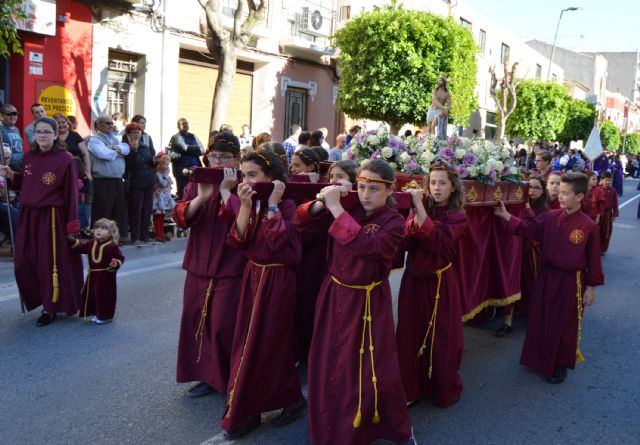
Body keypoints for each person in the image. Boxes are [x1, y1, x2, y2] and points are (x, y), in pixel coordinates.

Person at [295, 159, 415, 445]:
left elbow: (370, 247)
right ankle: (329, 419)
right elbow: (301, 220)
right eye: (361, 186)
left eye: (373, 188)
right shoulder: (349, 208)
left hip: (368, 301)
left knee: (373, 365)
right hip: (335, 293)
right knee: (329, 360)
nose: (365, 194)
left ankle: (388, 425)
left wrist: (337, 209)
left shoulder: (395, 221)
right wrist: (322, 202)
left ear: (389, 191)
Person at [221, 149, 304, 439]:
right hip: (253, 277)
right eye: (243, 175)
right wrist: (244, 206)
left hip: (278, 279)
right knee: (249, 343)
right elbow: (236, 241)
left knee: (266, 344)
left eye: (252, 175)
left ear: (270, 177)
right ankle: (286, 400)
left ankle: (250, 409)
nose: (246, 181)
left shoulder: (288, 206)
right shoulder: (251, 202)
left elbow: (282, 244)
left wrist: (272, 206)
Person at [494, 173, 604, 384]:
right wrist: (505, 215)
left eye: (565, 193)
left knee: (563, 322)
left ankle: (561, 363)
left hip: (571, 281)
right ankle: (536, 358)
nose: (560, 197)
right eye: (559, 192)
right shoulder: (549, 217)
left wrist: (591, 288)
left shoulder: (589, 226)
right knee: (541, 316)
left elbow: (593, 260)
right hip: (546, 276)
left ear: (580, 196)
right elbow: (526, 229)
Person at [173, 132, 247, 399]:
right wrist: (201, 198)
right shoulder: (198, 180)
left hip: (230, 264)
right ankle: (205, 375)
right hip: (198, 263)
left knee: (222, 324)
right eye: (213, 156)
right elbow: (181, 216)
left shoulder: (244, 182)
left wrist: (228, 193)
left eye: (225, 157)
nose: (217, 161)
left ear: (237, 159)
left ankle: (228, 377)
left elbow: (243, 222)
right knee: (196, 319)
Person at [396, 164, 468, 408]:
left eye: (442, 183)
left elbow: (437, 241)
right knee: (409, 333)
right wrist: (415, 215)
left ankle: (440, 387)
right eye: (433, 183)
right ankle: (410, 388)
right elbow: (406, 238)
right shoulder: (422, 207)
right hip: (414, 280)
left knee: (441, 337)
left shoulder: (459, 216)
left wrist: (417, 208)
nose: (436, 188)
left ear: (453, 187)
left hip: (440, 284)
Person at [0, 117, 83, 326]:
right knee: (23, 262)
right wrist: (12, 176)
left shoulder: (66, 159)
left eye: (47, 132)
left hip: (52, 217)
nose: (42, 135)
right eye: (39, 132)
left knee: (48, 263)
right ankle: (37, 298)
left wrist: (72, 225)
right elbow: (29, 182)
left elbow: (71, 193)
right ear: (34, 134)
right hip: (28, 215)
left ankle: (50, 307)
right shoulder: (29, 157)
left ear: (55, 135)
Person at [495, 175, 549, 337]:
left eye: (535, 187)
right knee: (511, 281)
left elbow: (534, 227)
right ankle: (507, 321)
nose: (531, 191)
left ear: (542, 190)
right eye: (529, 187)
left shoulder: (544, 209)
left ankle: (537, 316)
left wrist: (526, 207)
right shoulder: (516, 204)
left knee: (531, 284)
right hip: (515, 249)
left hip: (532, 253)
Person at [71, 218, 124, 324]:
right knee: (93, 295)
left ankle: (105, 316)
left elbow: (120, 258)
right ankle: (95, 313)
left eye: (103, 228)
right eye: (97, 228)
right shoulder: (91, 243)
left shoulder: (112, 246)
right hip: (93, 276)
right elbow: (82, 248)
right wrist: (73, 241)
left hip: (106, 276)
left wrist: (115, 263)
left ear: (110, 233)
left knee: (104, 296)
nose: (99, 230)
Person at [88, 114, 130, 243]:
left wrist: (114, 149)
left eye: (111, 123)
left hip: (117, 180)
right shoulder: (94, 140)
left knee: (118, 211)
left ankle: (117, 238)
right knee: (103, 210)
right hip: (102, 181)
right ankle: (100, 239)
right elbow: (104, 154)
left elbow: (127, 149)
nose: (111, 126)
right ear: (98, 125)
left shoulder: (115, 139)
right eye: (107, 123)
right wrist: (118, 153)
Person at [124, 123, 156, 246]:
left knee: (147, 210)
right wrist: (133, 150)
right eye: (133, 132)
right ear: (128, 134)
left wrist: (155, 161)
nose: (137, 134)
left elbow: (150, 163)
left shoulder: (145, 146)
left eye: (138, 132)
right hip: (135, 182)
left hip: (148, 181)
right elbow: (128, 166)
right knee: (136, 210)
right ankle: (135, 237)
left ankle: (145, 235)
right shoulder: (126, 147)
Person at [168, 118, 204, 200]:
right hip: (182, 170)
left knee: (195, 193)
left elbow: (202, 149)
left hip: (195, 168)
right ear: (178, 126)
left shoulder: (193, 136)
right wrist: (195, 149)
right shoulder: (176, 137)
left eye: (186, 123)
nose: (184, 125)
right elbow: (184, 148)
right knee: (183, 193)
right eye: (182, 124)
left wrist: (191, 149)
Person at [592, 171, 618, 255]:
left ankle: (602, 248)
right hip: (599, 214)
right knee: (597, 231)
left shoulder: (613, 190)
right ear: (601, 180)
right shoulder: (597, 190)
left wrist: (614, 214)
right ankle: (595, 248)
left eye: (609, 180)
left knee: (606, 232)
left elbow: (615, 203)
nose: (608, 182)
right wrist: (596, 215)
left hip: (608, 214)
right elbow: (594, 203)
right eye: (606, 180)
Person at [152, 154, 175, 242]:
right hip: (159, 198)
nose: (166, 167)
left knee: (162, 217)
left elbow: (169, 183)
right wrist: (167, 177)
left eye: (168, 165)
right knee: (158, 216)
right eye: (165, 164)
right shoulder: (158, 174)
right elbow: (163, 183)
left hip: (165, 197)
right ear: (160, 164)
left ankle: (161, 234)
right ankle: (158, 235)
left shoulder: (164, 174)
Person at [0, 104, 24, 172]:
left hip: (19, 170)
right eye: (9, 114)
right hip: (7, 172)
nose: (12, 116)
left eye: (15, 114)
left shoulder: (16, 129)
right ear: (2, 116)